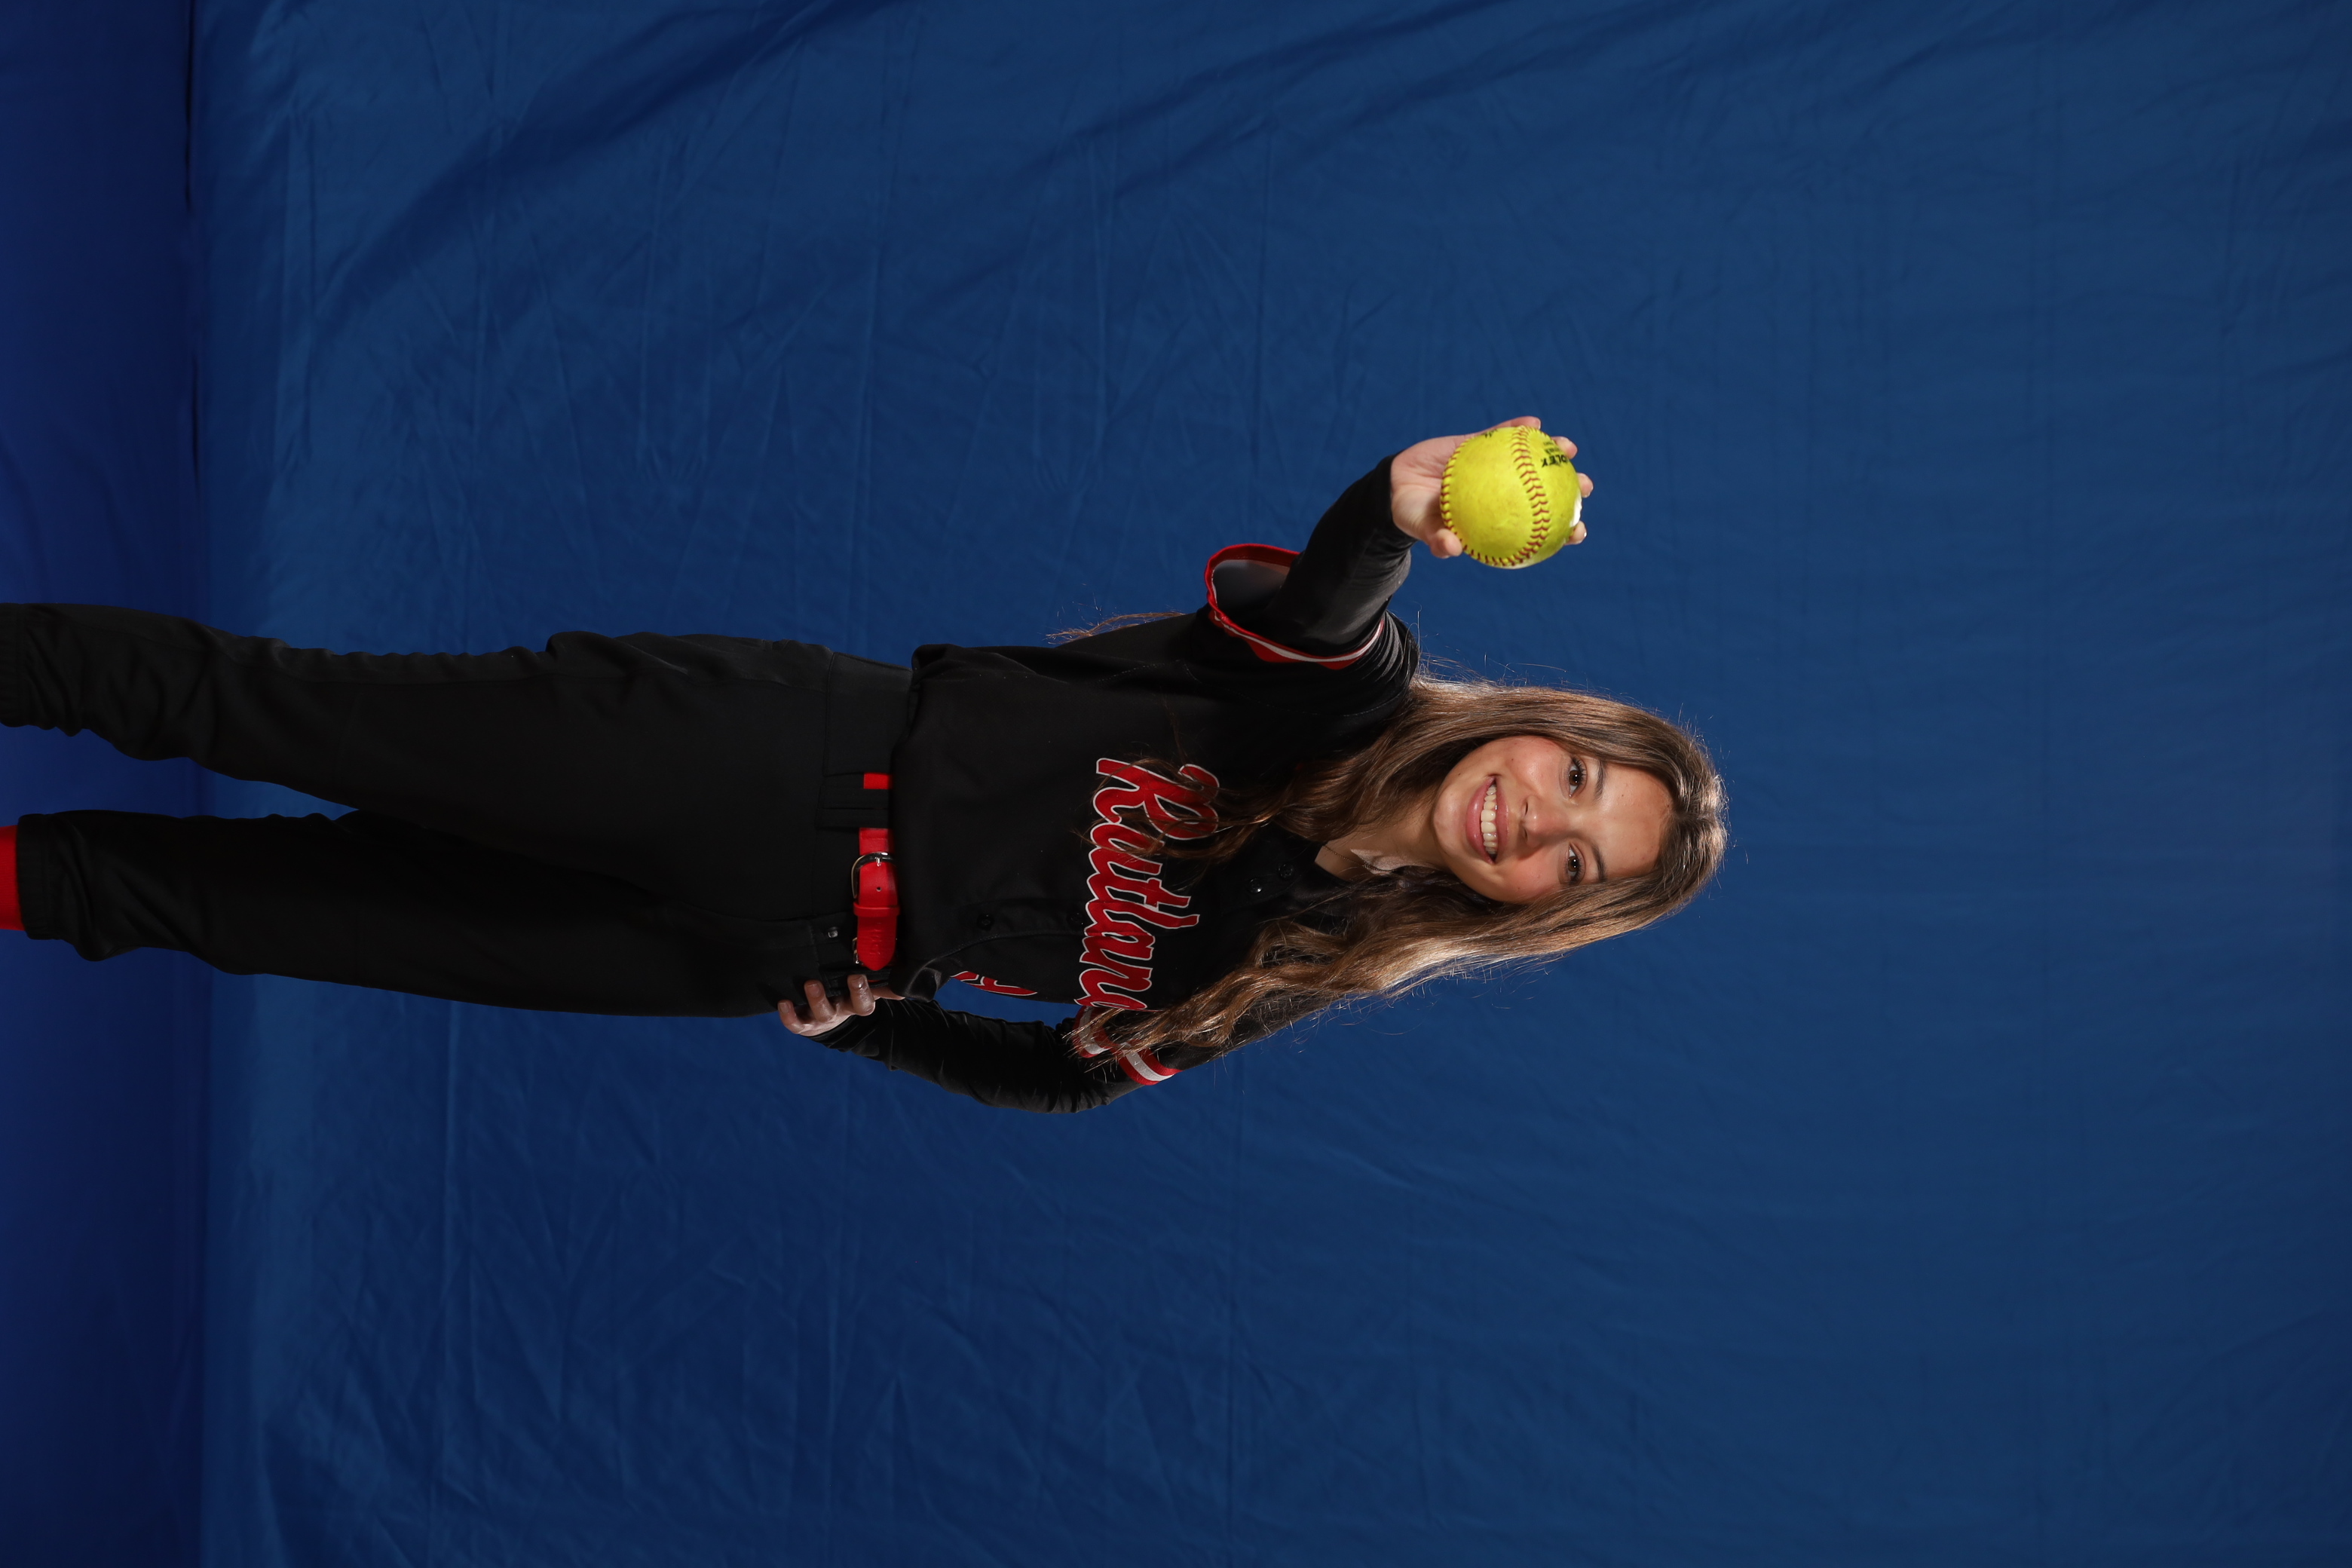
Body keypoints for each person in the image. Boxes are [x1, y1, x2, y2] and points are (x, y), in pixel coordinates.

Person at [0, 418, 1726, 1112]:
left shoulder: (1300, 961)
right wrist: (1394, 506)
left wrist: (874, 1022)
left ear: (1534, 910)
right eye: (1579, 780)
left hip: (747, 945)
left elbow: (1070, 1083)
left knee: (260, 912)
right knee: (259, 709)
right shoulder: (1347, 701)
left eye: (1578, 863)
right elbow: (1339, 602)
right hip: (769, 760)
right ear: (1545, 728)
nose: (1542, 819)